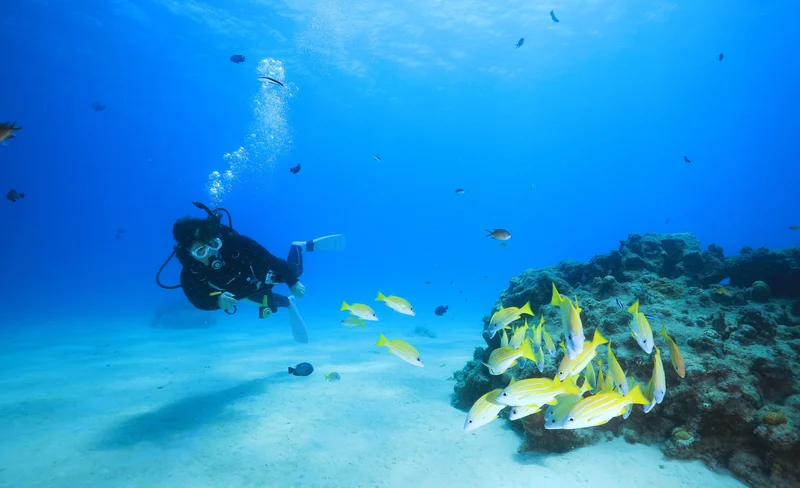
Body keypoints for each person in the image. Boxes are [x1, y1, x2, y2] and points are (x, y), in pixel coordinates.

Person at [159, 202, 345, 343]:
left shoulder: (238, 244)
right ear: (190, 254)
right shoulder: (191, 272)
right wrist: (217, 301)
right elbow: (197, 300)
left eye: (213, 245)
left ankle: (298, 247)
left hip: (258, 273)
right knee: (269, 304)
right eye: (201, 252)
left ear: (216, 239)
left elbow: (271, 260)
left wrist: (292, 282)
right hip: (240, 291)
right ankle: (289, 303)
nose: (212, 255)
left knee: (295, 271)